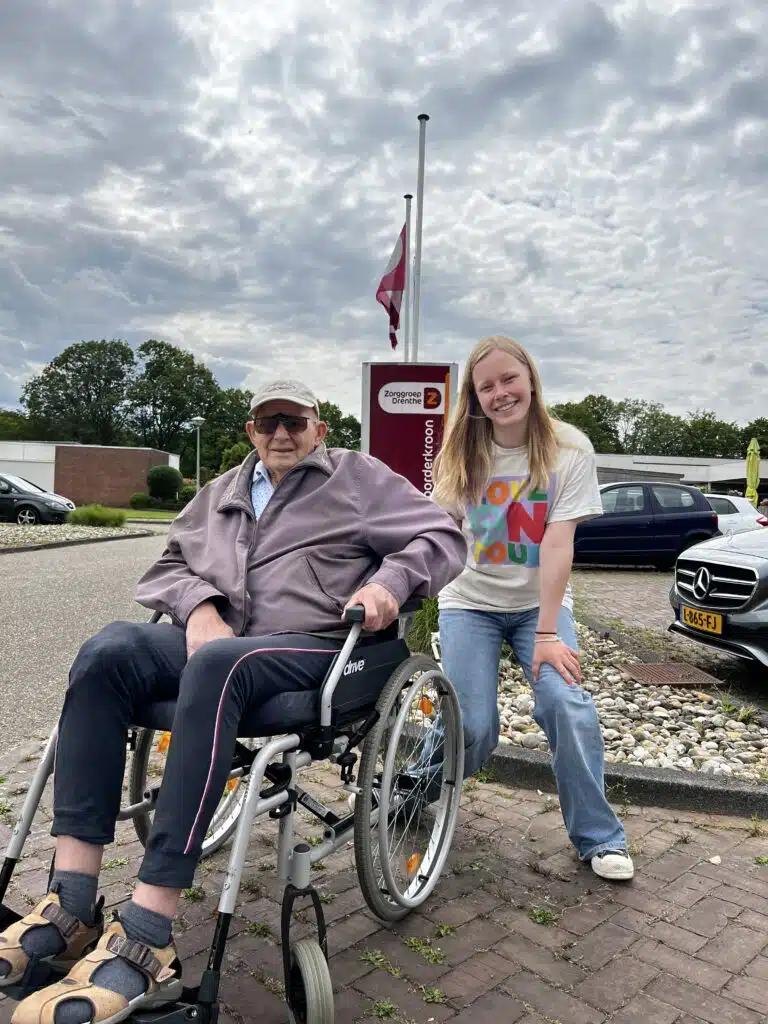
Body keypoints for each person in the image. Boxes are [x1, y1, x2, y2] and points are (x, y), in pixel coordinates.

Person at [2, 379, 467, 1024]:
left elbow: (443, 533)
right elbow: (168, 563)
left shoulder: (356, 478)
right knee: (107, 652)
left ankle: (147, 932)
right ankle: (72, 901)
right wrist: (199, 607)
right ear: (250, 430)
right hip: (224, 642)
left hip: (328, 644)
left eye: (294, 421)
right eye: (267, 421)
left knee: (220, 663)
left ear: (318, 427)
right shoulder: (220, 494)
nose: (281, 433)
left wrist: (391, 581)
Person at [431, 336, 634, 882]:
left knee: (565, 703)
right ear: (473, 397)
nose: (501, 393)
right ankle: (417, 793)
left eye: (509, 379)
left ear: (531, 378)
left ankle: (599, 837)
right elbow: (442, 530)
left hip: (537, 608)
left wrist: (547, 634)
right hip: (469, 603)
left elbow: (558, 543)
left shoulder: (568, 448)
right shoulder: (459, 450)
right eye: (486, 386)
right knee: (472, 725)